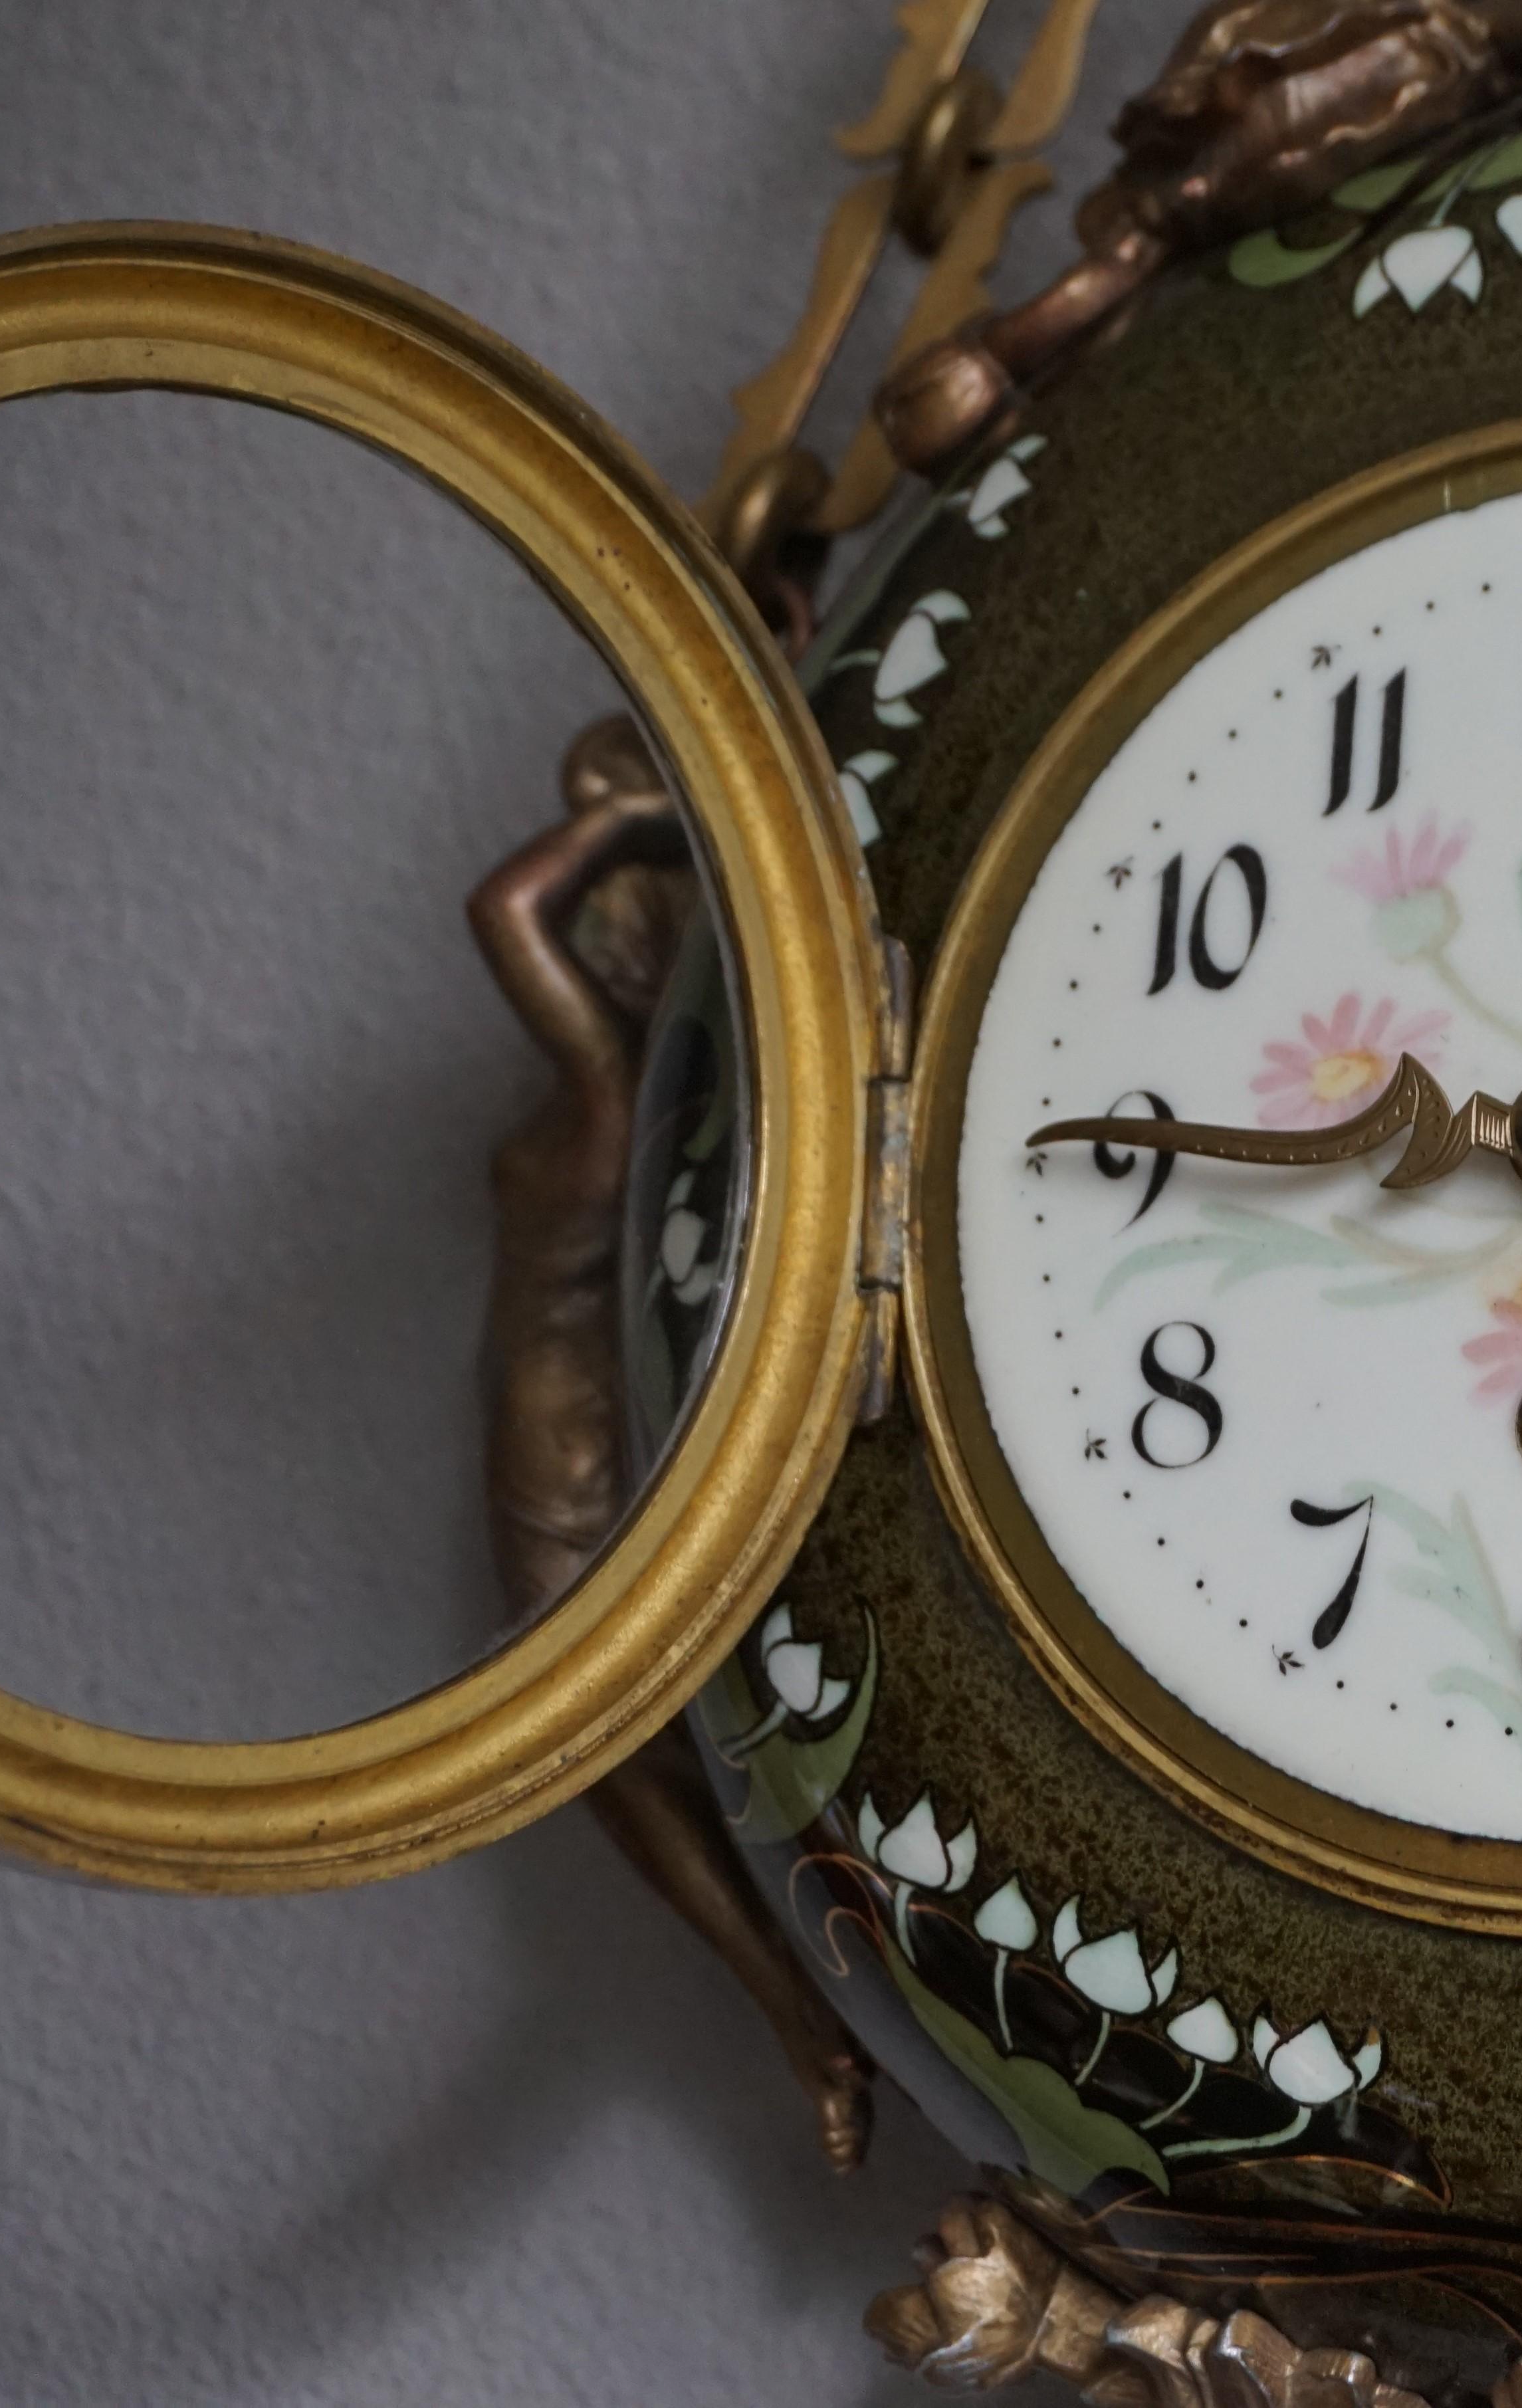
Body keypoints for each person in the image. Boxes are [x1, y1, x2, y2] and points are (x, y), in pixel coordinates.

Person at [469, 715, 876, 2171]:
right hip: (563, 1447)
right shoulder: (631, 1106)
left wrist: (653, 825)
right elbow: (513, 913)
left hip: (575, 1451)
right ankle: (800, 2014)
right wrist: (660, 820)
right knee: (604, 1756)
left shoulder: (614, 1099)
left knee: (605, 1755)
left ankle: (799, 2020)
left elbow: (503, 906)